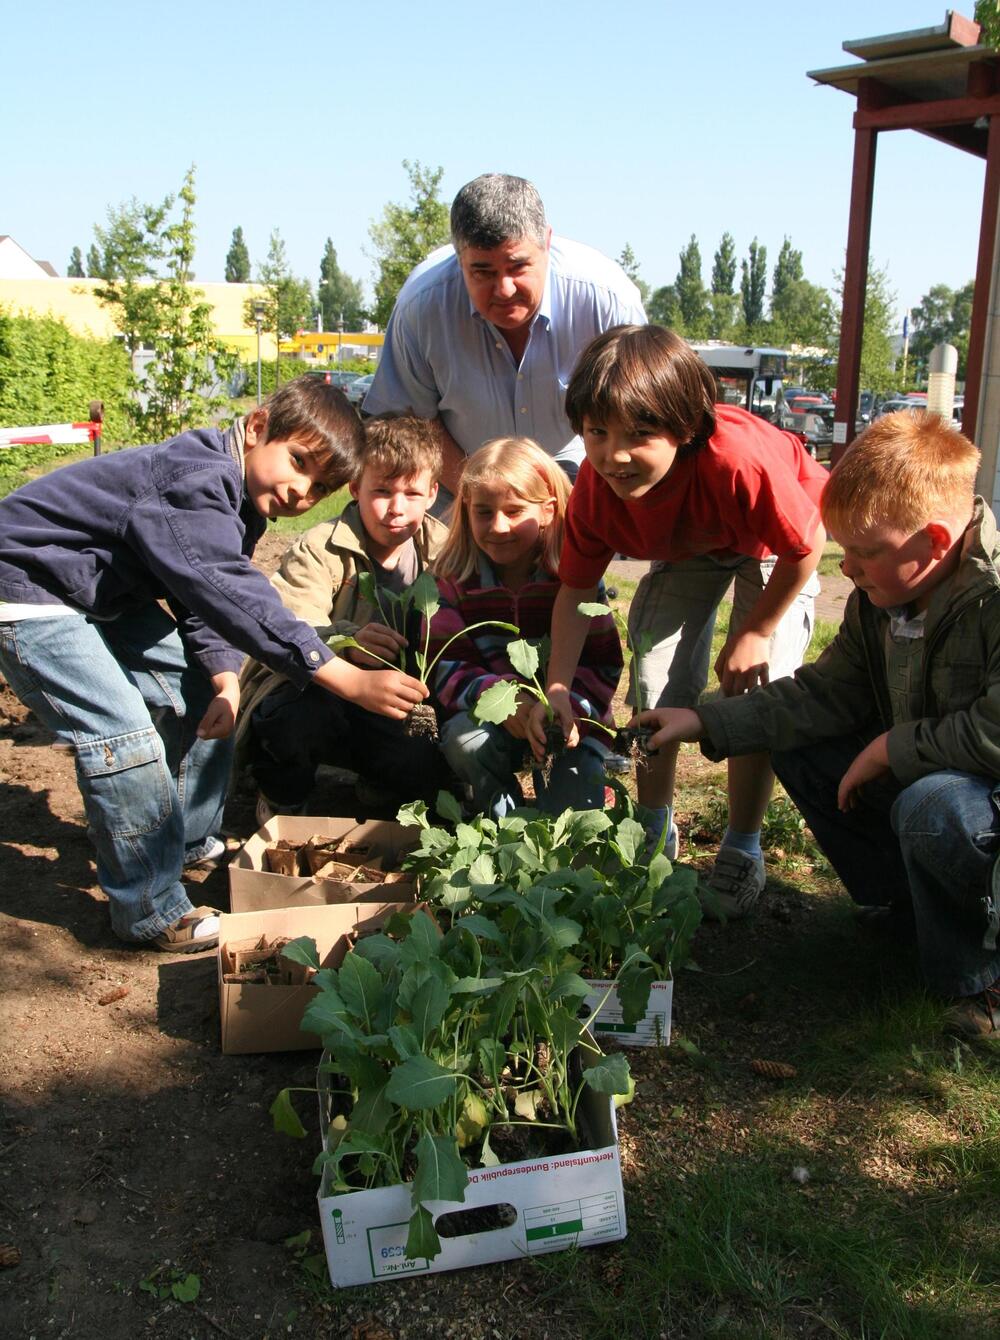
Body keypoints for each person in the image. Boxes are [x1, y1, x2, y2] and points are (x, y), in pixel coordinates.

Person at [0, 378, 431, 953]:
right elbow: (230, 593)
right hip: (27, 588)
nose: (302, 491)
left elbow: (198, 594)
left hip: (92, 593)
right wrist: (342, 674)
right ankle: (149, 910)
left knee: (201, 690)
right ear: (256, 429)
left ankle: (186, 842)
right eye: (299, 462)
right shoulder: (194, 480)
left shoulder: (238, 498)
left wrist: (226, 681)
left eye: (321, 487)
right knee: (122, 735)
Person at [634, 411, 1000, 1038]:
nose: (847, 570)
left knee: (933, 805)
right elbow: (822, 695)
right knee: (800, 743)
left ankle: (978, 982)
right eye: (843, 549)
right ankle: (911, 908)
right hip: (935, 774)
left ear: (936, 541)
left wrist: (891, 746)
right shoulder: (883, 596)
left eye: (864, 553)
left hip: (975, 793)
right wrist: (701, 719)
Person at [533, 324, 827, 917]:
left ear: (685, 428)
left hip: (773, 542)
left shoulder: (737, 462)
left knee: (759, 691)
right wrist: (557, 685)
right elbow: (574, 590)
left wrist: (755, 631)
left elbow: (806, 548)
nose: (614, 454)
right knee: (656, 677)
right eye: (596, 432)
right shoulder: (595, 490)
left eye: (639, 435)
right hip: (692, 545)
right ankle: (651, 830)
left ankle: (743, 844)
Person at [363, 172, 646, 510]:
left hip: (574, 478)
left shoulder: (607, 299)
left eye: (518, 266)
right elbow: (409, 421)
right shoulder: (421, 306)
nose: (504, 289)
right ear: (458, 257)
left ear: (547, 241)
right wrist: (483, 496)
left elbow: (639, 416)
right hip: (458, 484)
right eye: (482, 272)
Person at [237, 413, 449, 820]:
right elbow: (291, 626)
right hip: (314, 690)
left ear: (433, 493)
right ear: (355, 487)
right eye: (382, 491)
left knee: (428, 771)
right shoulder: (319, 547)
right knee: (298, 718)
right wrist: (349, 643)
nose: (396, 509)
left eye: (412, 494)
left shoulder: (444, 551)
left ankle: (380, 779)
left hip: (392, 705)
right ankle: (282, 794)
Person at [427, 437, 622, 820]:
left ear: (548, 511)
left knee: (573, 818)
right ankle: (502, 818)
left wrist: (569, 709)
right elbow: (444, 664)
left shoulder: (574, 579)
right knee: (465, 741)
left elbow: (603, 664)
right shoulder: (450, 580)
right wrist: (504, 701)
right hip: (492, 719)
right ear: (465, 510)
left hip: (565, 724)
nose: (498, 527)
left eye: (514, 511)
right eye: (483, 512)